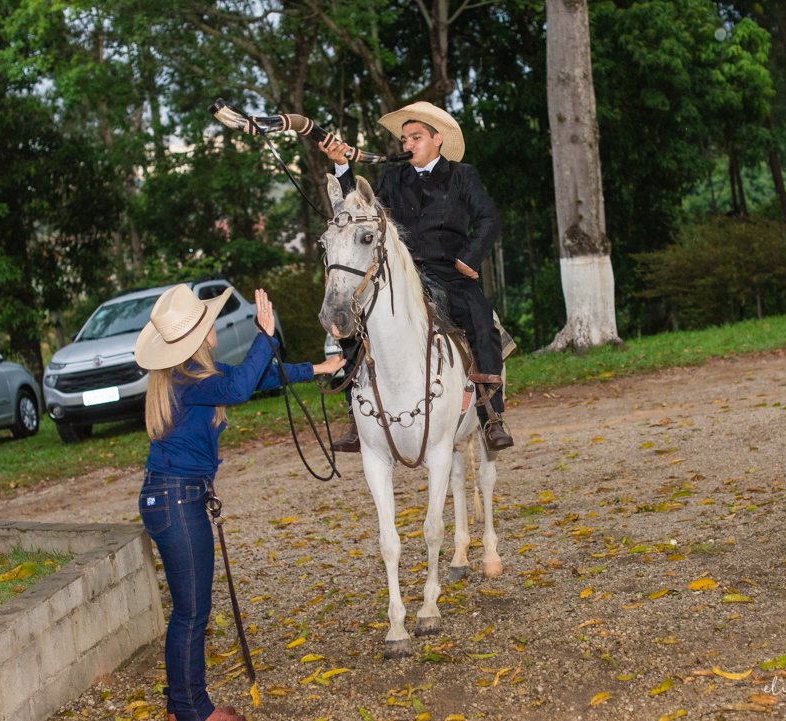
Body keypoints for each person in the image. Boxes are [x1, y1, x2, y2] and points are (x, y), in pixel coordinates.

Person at [134, 283, 344, 721]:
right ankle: (193, 710)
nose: (215, 324)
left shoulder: (191, 373)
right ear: (199, 333)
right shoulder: (188, 379)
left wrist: (318, 368)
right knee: (192, 613)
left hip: (173, 497)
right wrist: (264, 334)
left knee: (189, 611)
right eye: (210, 320)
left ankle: (179, 706)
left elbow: (257, 377)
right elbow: (240, 389)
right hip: (176, 500)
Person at [319, 101, 514, 452]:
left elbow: (489, 218)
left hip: (450, 272)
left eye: (416, 137)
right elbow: (359, 209)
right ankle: (355, 417)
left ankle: (491, 415)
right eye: (404, 139)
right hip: (401, 273)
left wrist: (469, 257)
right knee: (355, 322)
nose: (407, 143)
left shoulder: (462, 175)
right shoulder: (394, 177)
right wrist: (342, 165)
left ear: (438, 139)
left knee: (480, 319)